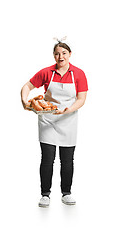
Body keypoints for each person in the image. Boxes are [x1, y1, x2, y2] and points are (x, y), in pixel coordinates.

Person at [21, 37, 88, 207]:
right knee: (47, 159)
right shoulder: (46, 72)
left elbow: (81, 99)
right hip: (47, 120)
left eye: (64, 53)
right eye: (57, 54)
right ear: (53, 56)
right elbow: (27, 86)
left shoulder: (79, 74)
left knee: (67, 160)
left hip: (69, 120)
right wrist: (24, 100)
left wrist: (68, 110)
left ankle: (66, 193)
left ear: (70, 54)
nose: (61, 57)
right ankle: (45, 194)